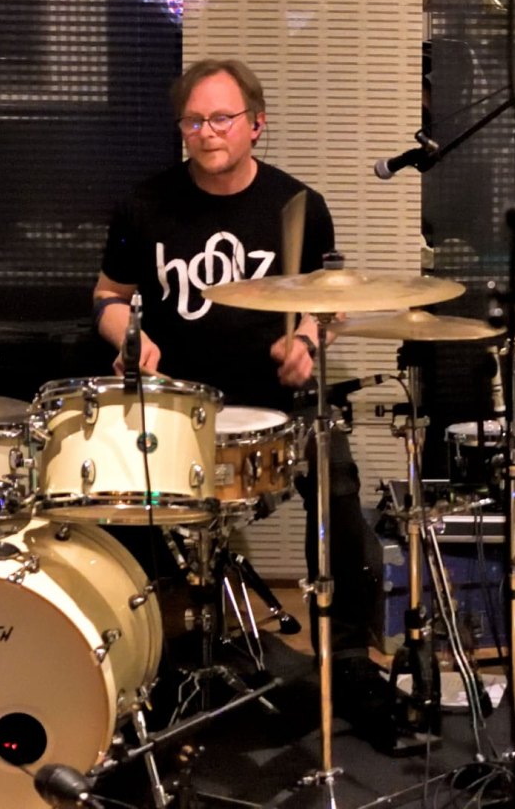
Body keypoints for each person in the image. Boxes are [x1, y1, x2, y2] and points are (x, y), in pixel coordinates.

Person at [93, 57, 401, 747]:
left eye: (221, 118)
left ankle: (351, 659)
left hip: (277, 402)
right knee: (122, 497)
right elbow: (109, 296)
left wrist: (307, 340)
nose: (207, 132)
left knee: (339, 487)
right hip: (178, 405)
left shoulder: (298, 207)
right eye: (193, 121)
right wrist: (129, 337)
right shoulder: (144, 206)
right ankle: (159, 653)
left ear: (255, 124)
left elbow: (330, 305)